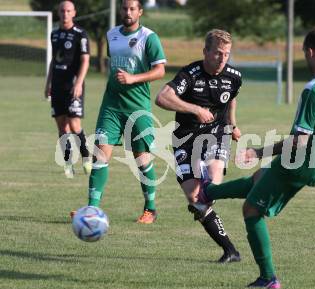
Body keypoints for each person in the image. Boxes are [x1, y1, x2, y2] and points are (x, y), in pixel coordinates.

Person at [190, 27, 315, 289]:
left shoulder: (313, 91)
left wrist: (257, 152)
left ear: (310, 51)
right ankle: (209, 192)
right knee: (260, 178)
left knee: (251, 210)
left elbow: (299, 141)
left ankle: (268, 278)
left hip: (301, 161)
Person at [72, 0, 166, 224]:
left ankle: (150, 209)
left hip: (137, 107)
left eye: (133, 8)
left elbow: (160, 70)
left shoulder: (149, 37)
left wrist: (133, 78)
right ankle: (92, 209)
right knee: (99, 157)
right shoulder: (111, 35)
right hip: (111, 106)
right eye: (125, 8)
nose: (128, 12)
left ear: (140, 11)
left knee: (142, 159)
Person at [155, 29, 242, 263]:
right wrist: (195, 109)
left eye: (226, 54)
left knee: (211, 187)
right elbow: (162, 97)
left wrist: (232, 125)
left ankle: (208, 201)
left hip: (217, 134)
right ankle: (231, 251)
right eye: (217, 53)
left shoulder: (234, 76)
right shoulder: (190, 75)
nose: (222, 58)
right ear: (206, 52)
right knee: (196, 198)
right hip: (185, 138)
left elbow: (231, 96)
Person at [45, 0, 91, 178]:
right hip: (57, 85)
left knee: (74, 125)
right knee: (62, 127)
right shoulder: (54, 34)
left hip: (73, 86)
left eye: (68, 11)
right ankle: (68, 163)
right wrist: (48, 83)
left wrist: (79, 83)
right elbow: (54, 61)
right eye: (62, 11)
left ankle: (86, 157)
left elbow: (85, 60)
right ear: (59, 12)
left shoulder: (81, 34)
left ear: (74, 13)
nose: (65, 14)